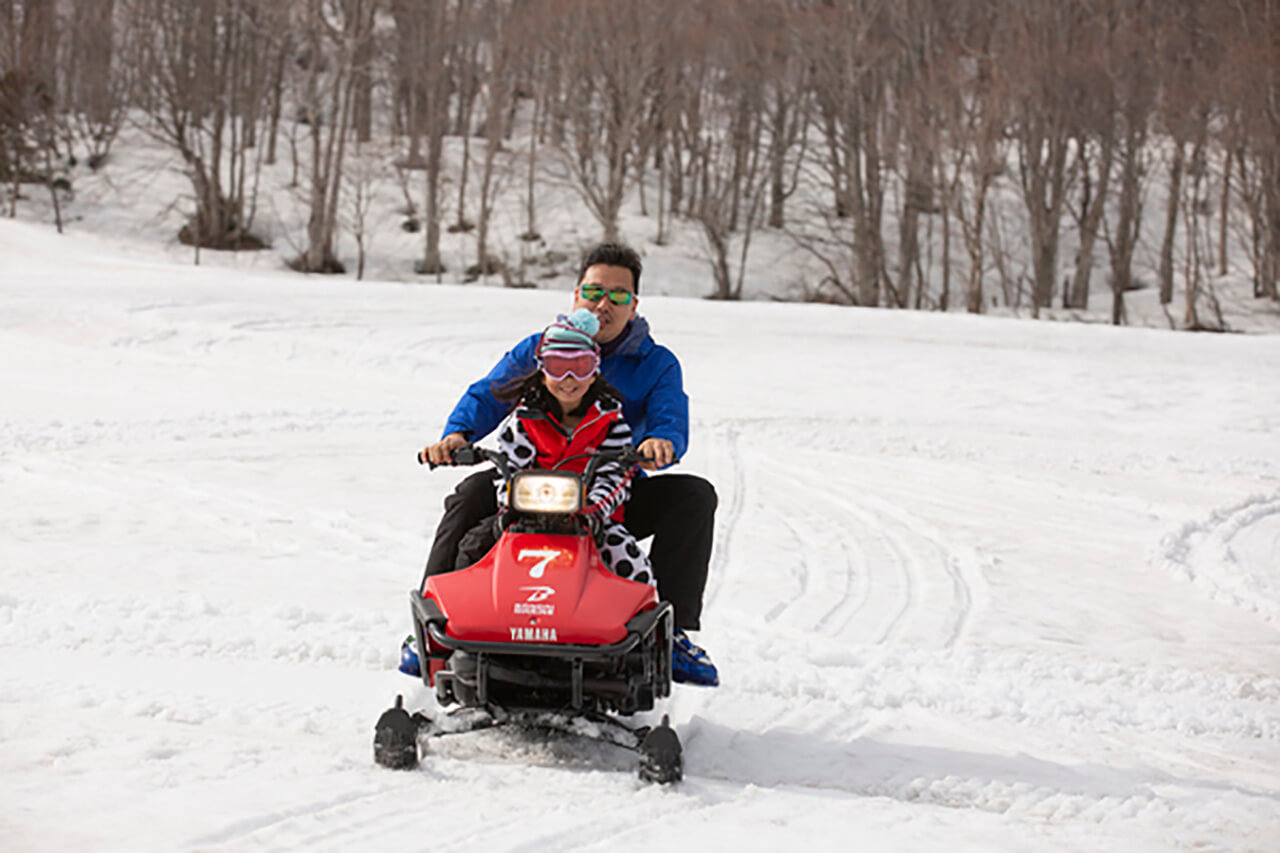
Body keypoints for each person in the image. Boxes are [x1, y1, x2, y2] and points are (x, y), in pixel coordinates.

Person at [420, 242, 719, 687]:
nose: (604, 304)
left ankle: (669, 636)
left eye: (618, 296)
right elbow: (490, 393)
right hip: (532, 484)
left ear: (634, 305)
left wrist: (660, 443)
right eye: (594, 292)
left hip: (609, 493)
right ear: (576, 296)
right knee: (469, 497)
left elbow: (669, 417)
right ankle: (434, 622)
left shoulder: (656, 364)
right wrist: (457, 435)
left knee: (694, 496)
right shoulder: (541, 348)